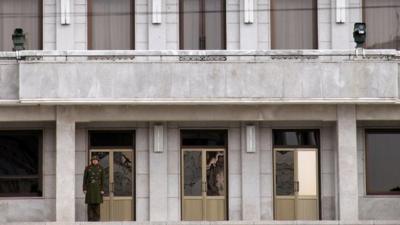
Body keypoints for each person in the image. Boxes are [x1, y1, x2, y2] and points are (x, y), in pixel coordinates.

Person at [83, 155, 105, 221]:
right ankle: (90, 221)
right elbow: (85, 179)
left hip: (98, 189)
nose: (94, 161)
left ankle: (97, 221)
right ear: (91, 161)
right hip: (90, 189)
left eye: (96, 160)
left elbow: (102, 180)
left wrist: (102, 189)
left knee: (97, 206)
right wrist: (84, 188)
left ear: (98, 161)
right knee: (90, 206)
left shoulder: (101, 168)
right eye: (93, 160)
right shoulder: (88, 168)